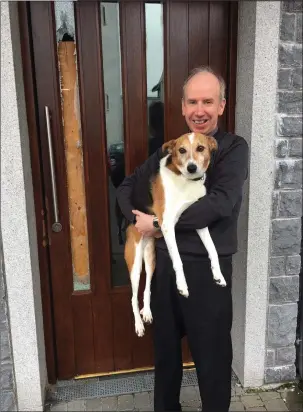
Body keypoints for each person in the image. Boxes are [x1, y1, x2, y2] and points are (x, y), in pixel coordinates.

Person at [116, 66, 249, 412]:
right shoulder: (171, 152)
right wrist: (137, 220)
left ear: (221, 105)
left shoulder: (233, 149)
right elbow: (128, 185)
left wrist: (158, 224)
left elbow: (219, 204)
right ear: (182, 107)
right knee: (166, 360)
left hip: (207, 273)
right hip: (165, 273)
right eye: (192, 102)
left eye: (208, 101)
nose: (199, 109)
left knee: (214, 364)